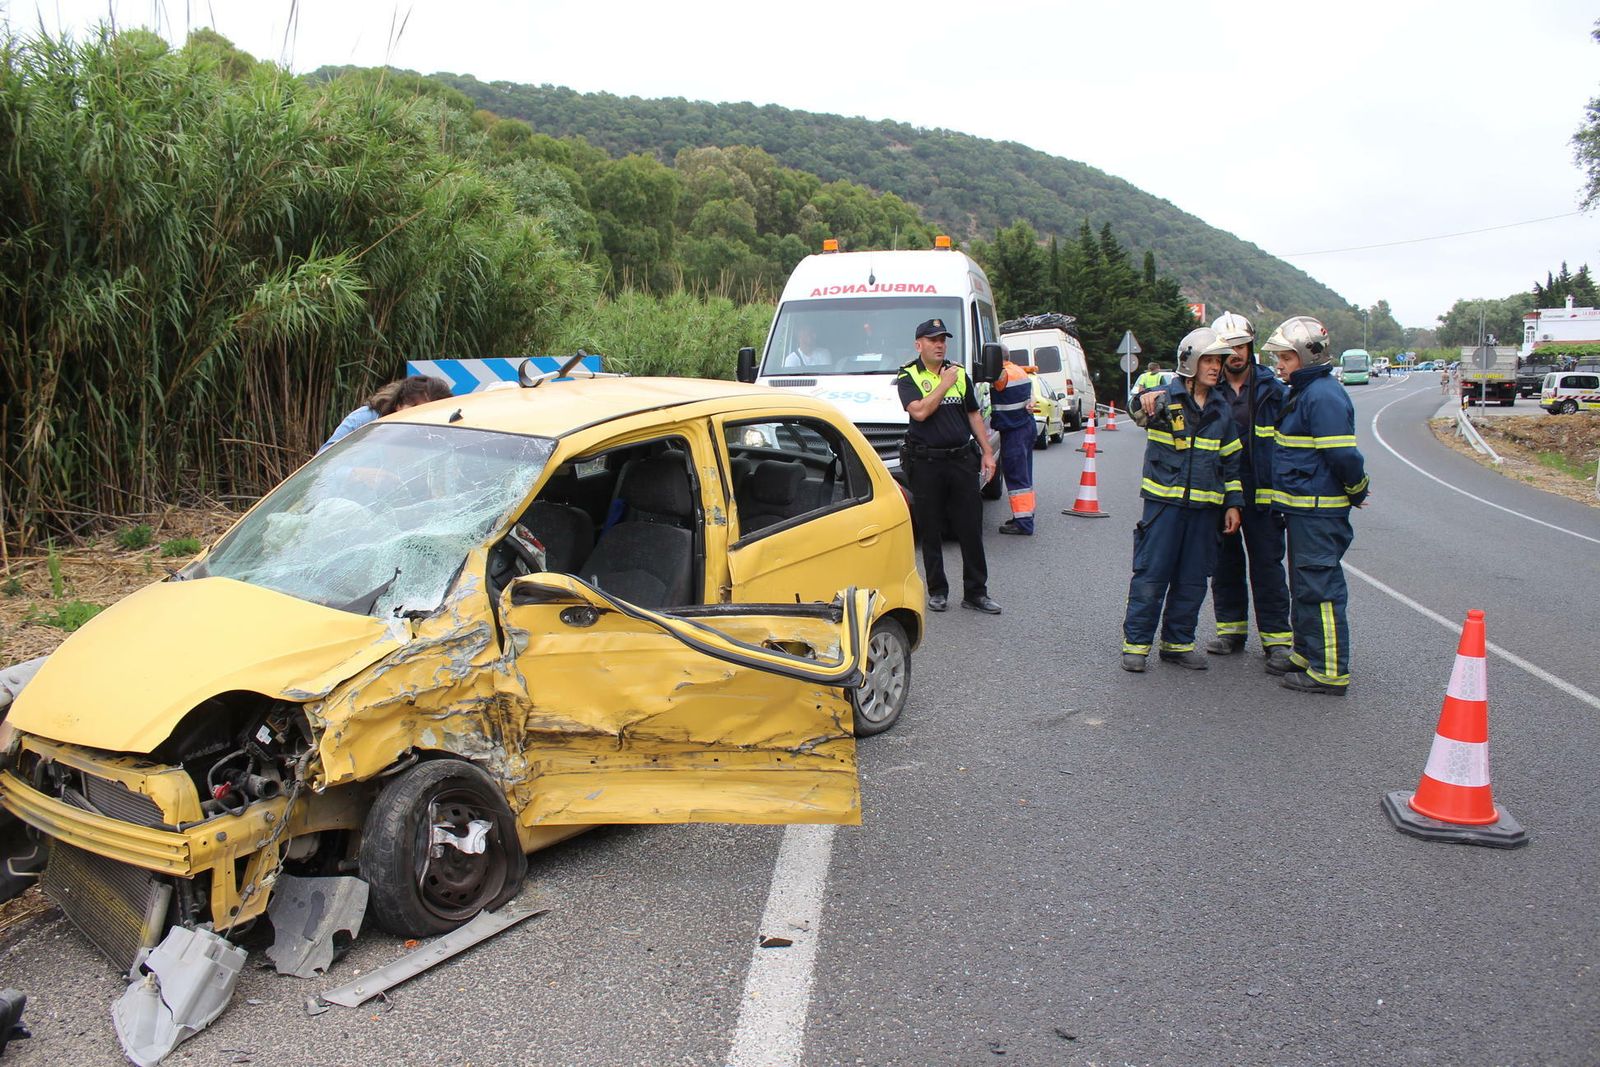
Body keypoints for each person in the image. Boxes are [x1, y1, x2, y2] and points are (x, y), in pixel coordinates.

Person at [1121, 328, 1243, 672]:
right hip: (1164, 506)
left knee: (1193, 579)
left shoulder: (1221, 408)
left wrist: (1233, 503)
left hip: (1205, 510)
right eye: (1208, 360)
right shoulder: (1163, 398)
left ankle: (1177, 644)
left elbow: (1231, 460)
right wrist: (1144, 398)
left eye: (1218, 361)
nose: (1216, 367)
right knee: (1151, 575)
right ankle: (1136, 646)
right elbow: (1135, 411)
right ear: (1190, 361)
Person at [1262, 316, 1370, 696]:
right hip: (1302, 510)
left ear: (1307, 356)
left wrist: (1357, 489)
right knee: (1304, 586)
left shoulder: (1322, 396)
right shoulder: (1304, 391)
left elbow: (1342, 455)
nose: (1279, 365)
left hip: (1318, 512)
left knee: (1320, 590)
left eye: (1286, 358)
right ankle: (1307, 653)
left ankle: (1329, 671)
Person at [1194, 312, 1293, 671]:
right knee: (1226, 564)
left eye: (1241, 346)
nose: (1235, 354)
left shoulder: (1274, 390)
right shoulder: (1208, 390)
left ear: (1251, 347)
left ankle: (1276, 640)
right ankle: (1231, 631)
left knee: (1267, 566)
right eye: (1228, 348)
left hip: (1264, 494)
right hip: (1223, 492)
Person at [895, 317, 1001, 614]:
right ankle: (938, 591)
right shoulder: (908, 375)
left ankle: (976, 592)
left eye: (942, 339)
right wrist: (944, 384)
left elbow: (973, 414)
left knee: (970, 527)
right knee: (930, 528)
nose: (940, 345)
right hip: (926, 462)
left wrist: (987, 452)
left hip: (961, 460)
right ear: (919, 345)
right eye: (933, 340)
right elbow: (919, 412)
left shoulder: (959, 373)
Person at [318, 375, 453, 454]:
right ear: (399, 404)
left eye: (428, 413)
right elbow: (324, 461)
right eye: (416, 409)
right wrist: (355, 473)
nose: (422, 418)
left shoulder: (438, 434)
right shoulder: (365, 420)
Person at [989, 356, 1038, 535]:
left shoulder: (1002, 374)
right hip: (1025, 425)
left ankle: (1023, 523)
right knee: (1024, 476)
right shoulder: (1018, 370)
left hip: (1014, 431)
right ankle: (1024, 515)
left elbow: (994, 379)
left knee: (1017, 478)